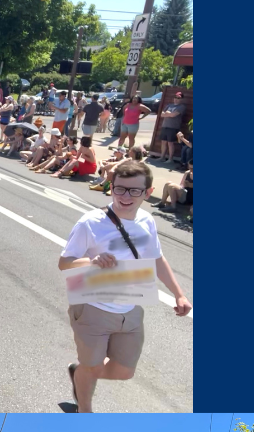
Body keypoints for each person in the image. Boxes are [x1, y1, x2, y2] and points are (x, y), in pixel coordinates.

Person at [59, 160, 192, 413]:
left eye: (134, 190)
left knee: (124, 372)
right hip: (92, 306)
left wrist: (180, 294)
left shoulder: (146, 221)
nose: (125, 196)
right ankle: (84, 410)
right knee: (93, 367)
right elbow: (64, 263)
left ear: (148, 193)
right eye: (120, 189)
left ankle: (80, 371)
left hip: (130, 306)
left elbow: (156, 259)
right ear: (111, 187)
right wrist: (92, 260)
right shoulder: (91, 223)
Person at [152, 91, 186, 163]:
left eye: (178, 98)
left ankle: (170, 159)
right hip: (165, 125)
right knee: (163, 142)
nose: (176, 99)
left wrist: (168, 114)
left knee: (170, 143)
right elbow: (162, 114)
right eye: (175, 97)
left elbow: (174, 115)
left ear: (181, 99)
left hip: (173, 127)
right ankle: (162, 157)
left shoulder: (181, 107)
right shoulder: (169, 105)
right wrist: (169, 114)